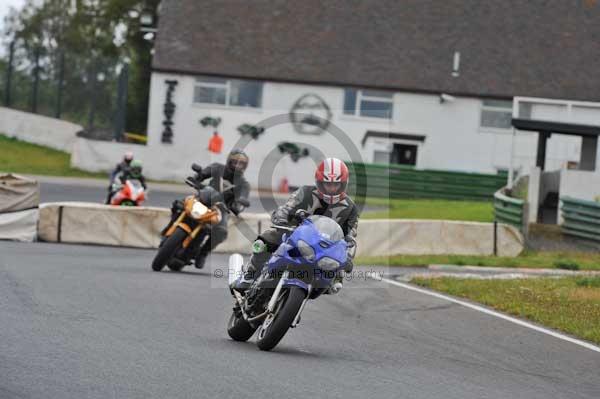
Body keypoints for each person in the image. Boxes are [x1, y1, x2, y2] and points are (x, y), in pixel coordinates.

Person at [236, 157, 359, 292]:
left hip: (323, 250)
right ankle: (249, 275)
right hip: (294, 238)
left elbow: (350, 237)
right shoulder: (305, 192)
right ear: (319, 182)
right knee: (265, 241)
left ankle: (294, 307)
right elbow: (287, 208)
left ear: (343, 184)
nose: (331, 188)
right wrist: (281, 218)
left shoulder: (350, 208)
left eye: (336, 184)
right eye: (327, 184)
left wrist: (346, 256)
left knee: (336, 278)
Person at [188, 149, 251, 268]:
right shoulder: (217, 168)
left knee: (221, 231)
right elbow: (202, 174)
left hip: (221, 209)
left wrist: (240, 202)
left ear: (245, 166)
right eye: (235, 162)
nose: (237, 166)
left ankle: (203, 253)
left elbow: (244, 196)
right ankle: (168, 231)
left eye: (241, 164)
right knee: (180, 204)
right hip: (203, 198)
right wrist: (197, 177)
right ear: (229, 161)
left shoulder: (243, 184)